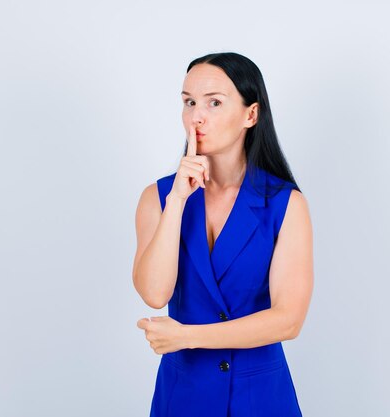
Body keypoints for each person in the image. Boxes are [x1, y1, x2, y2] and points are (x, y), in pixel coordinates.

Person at [133, 52, 313, 417]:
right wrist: (178, 200)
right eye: (189, 102)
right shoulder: (159, 197)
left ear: (251, 114)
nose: (196, 116)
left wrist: (188, 336)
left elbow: (288, 320)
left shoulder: (285, 204)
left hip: (261, 399)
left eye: (214, 102)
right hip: (183, 399)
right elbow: (154, 293)